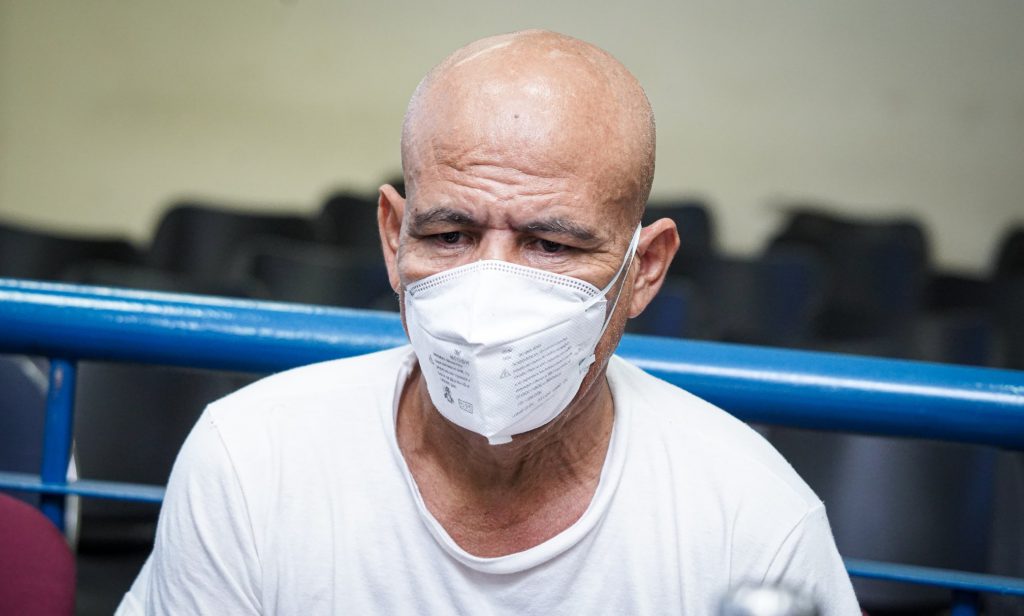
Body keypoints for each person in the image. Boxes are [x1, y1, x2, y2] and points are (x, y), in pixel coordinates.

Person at [116, 30, 860, 615]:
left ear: (646, 268)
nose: (488, 297)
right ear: (393, 239)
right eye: (450, 236)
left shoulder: (750, 523)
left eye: (552, 245)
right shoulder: (253, 462)